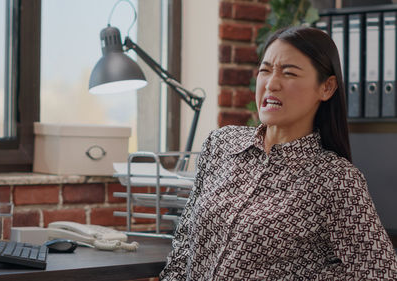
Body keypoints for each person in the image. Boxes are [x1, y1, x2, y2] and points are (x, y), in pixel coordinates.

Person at [159, 26, 397, 280]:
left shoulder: (336, 178)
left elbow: (380, 271)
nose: (272, 83)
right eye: (265, 70)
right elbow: (183, 245)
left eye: (289, 73)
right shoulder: (221, 144)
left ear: (326, 88)